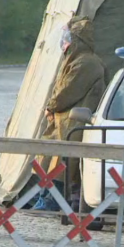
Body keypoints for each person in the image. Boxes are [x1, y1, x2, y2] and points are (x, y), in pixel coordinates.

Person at [32, 17, 106, 211]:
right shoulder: (74, 60)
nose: (64, 42)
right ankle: (44, 197)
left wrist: (51, 106)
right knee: (47, 158)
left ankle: (52, 201)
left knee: (61, 163)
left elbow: (67, 91)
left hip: (72, 122)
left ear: (77, 40)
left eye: (68, 38)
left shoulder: (86, 63)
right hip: (61, 121)